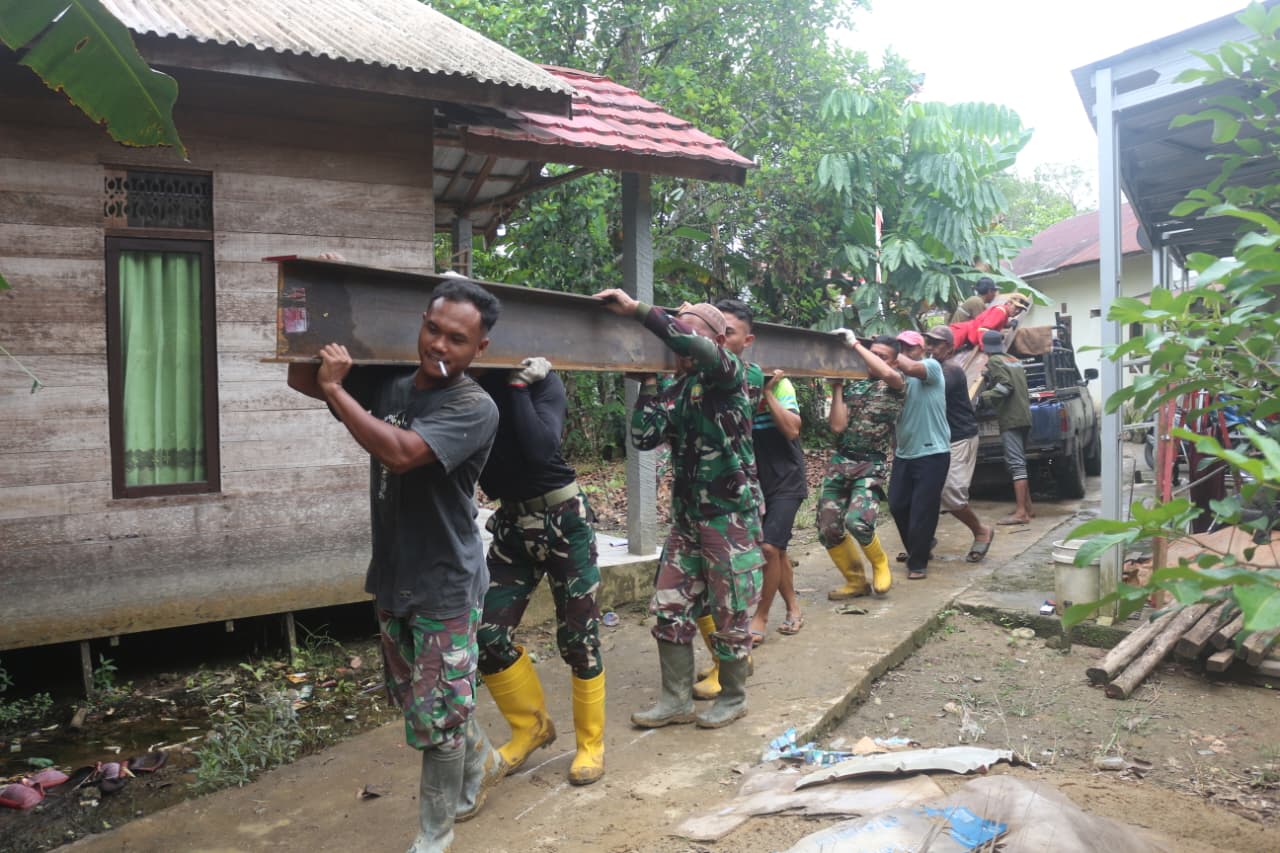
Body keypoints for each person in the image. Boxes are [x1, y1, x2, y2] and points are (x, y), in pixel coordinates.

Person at [286, 279, 502, 853]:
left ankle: (436, 832)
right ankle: (481, 758)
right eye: (433, 329)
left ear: (479, 348)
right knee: (418, 701)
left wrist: (339, 391)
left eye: (457, 339)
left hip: (446, 583)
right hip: (393, 575)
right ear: (422, 322)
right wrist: (313, 295)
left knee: (436, 720)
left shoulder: (473, 405)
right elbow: (300, 375)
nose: (439, 345)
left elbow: (401, 454)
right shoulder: (392, 383)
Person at [594, 288, 762, 730]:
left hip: (730, 519)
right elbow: (645, 438)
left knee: (730, 613)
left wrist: (638, 311)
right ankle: (675, 700)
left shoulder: (729, 375)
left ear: (712, 340)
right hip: (688, 520)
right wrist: (649, 384)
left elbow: (694, 344)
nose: (674, 338)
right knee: (669, 607)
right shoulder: (677, 388)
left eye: (684, 327)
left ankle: (734, 696)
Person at [472, 357, 605, 786]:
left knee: (579, 638)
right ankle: (530, 728)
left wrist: (517, 388)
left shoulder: (541, 381)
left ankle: (590, 743)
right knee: (486, 633)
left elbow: (540, 448)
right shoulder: (457, 386)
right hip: (512, 525)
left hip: (563, 518)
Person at [716, 299, 807, 644]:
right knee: (777, 551)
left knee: (769, 549)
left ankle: (761, 616)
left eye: (730, 332)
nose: (722, 339)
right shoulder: (726, 381)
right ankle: (794, 607)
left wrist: (767, 393)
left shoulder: (777, 383)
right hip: (751, 480)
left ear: (748, 340)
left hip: (786, 476)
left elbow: (793, 430)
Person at [818, 332, 906, 597]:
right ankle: (855, 581)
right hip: (841, 461)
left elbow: (889, 375)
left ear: (894, 362)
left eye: (883, 357)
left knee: (858, 522)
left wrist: (855, 344)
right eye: (873, 353)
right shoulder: (854, 384)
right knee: (828, 528)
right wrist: (837, 387)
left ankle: (879, 563)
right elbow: (837, 426)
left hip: (871, 464)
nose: (875, 360)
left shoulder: (896, 383)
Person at [924, 326, 995, 562]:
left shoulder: (951, 371)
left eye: (936, 343)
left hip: (959, 438)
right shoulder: (929, 367)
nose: (930, 347)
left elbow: (929, 389)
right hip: (937, 440)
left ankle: (980, 531)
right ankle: (923, 540)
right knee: (927, 491)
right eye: (928, 342)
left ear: (950, 348)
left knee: (950, 492)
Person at [888, 330, 951, 580]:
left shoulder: (931, 367)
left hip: (932, 452)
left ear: (922, 349)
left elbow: (913, 367)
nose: (904, 352)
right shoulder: (894, 376)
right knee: (897, 504)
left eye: (909, 347)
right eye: (899, 347)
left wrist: (889, 354)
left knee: (923, 509)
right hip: (905, 453)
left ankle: (918, 562)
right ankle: (922, 545)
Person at [979, 329, 1035, 525]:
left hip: (1011, 417)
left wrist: (983, 398)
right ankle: (1027, 508)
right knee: (1020, 461)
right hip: (1024, 416)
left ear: (984, 346)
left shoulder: (994, 361)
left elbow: (1005, 386)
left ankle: (1021, 513)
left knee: (1016, 463)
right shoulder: (1012, 358)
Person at [950, 291, 1031, 349]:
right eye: (1016, 307)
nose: (1017, 311)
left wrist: (1008, 324)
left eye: (1020, 310)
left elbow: (997, 323)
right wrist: (985, 348)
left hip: (964, 334)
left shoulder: (1003, 312)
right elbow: (983, 329)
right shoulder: (1000, 311)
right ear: (1009, 303)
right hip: (960, 333)